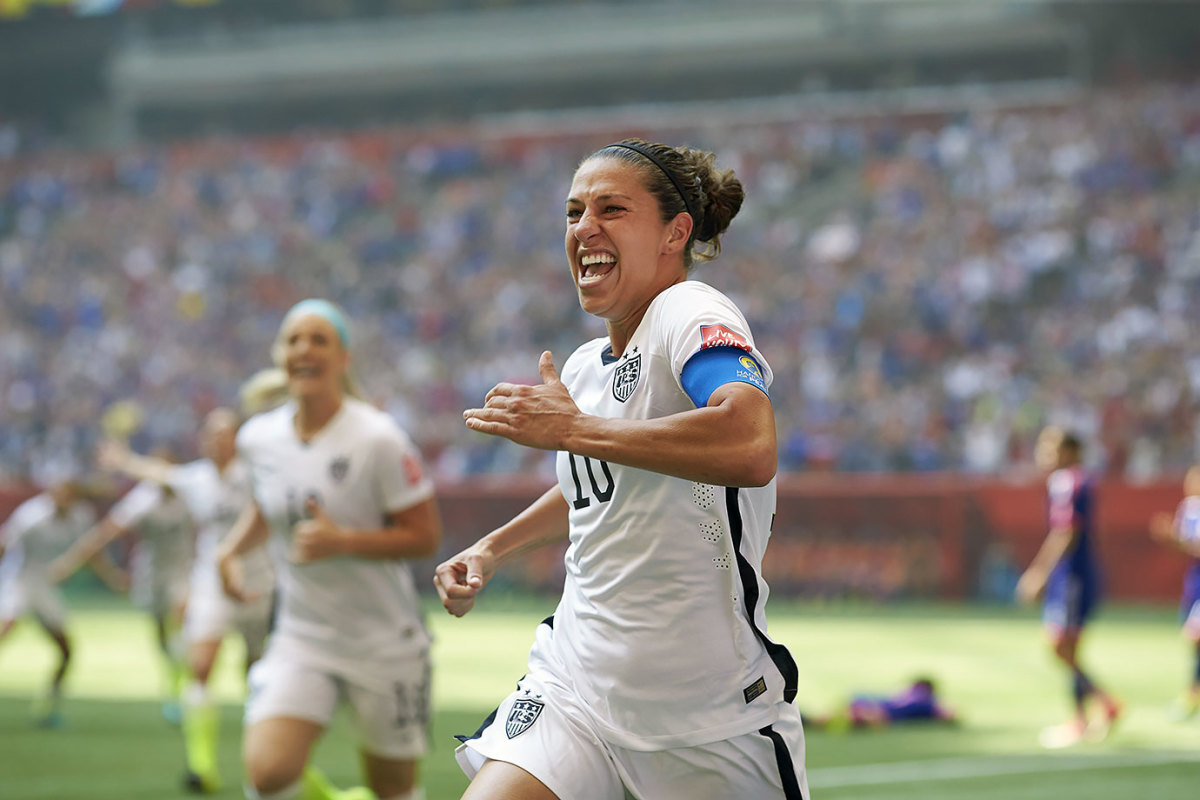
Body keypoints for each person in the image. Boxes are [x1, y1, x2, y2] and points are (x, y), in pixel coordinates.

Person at [435, 138, 807, 799]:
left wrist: (574, 428)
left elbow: (750, 441)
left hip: (707, 718)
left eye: (612, 208)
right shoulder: (582, 367)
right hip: (577, 691)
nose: (585, 228)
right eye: (574, 211)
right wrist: (492, 548)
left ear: (675, 232)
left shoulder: (688, 311)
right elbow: (595, 489)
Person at [217, 298, 441, 800]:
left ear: (344, 358)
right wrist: (229, 551)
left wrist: (344, 542)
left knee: (394, 790)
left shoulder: (379, 438)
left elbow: (425, 536)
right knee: (268, 773)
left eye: (319, 339)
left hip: (384, 641)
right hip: (302, 636)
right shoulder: (258, 438)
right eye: (294, 339)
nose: (305, 348)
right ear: (281, 356)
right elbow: (267, 507)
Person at [88, 403, 279, 795]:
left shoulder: (257, 475)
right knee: (201, 666)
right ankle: (201, 766)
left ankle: (262, 757)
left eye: (224, 433)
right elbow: (160, 473)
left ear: (237, 439)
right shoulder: (198, 478)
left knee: (256, 673)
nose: (216, 440)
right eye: (210, 433)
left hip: (259, 582)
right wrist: (123, 460)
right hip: (212, 582)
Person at [52, 452, 197, 725]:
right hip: (152, 573)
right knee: (161, 634)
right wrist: (71, 562)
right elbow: (108, 531)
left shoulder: (188, 492)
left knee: (181, 620)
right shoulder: (143, 499)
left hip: (182, 569)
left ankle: (184, 688)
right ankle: (172, 673)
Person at [1016, 427, 1121, 748]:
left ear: (1071, 451)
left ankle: (1092, 711)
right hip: (1072, 574)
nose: (1044, 456)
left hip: (1073, 575)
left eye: (1051, 449)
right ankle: (1091, 711)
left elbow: (1067, 531)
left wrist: (1039, 573)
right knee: (1064, 646)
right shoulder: (1076, 480)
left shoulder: (1069, 481)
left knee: (1062, 645)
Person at [0, 472, 107, 727]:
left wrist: (111, 577)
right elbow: (4, 545)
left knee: (66, 650)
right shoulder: (31, 517)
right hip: (20, 582)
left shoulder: (81, 516)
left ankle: (49, 707)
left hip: (45, 587)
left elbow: (88, 549)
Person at [1149, 464, 1200, 720]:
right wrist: (1170, 539)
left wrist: (1176, 538)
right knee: (1192, 637)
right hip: (1194, 581)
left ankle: (1193, 693)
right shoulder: (1188, 508)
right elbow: (1184, 550)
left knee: (1195, 636)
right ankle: (1193, 692)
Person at [803, 677, 957, 732]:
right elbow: (950, 714)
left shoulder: (912, 695)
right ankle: (811, 722)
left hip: (867, 701)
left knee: (846, 716)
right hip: (879, 710)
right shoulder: (926, 701)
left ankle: (810, 721)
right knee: (863, 719)